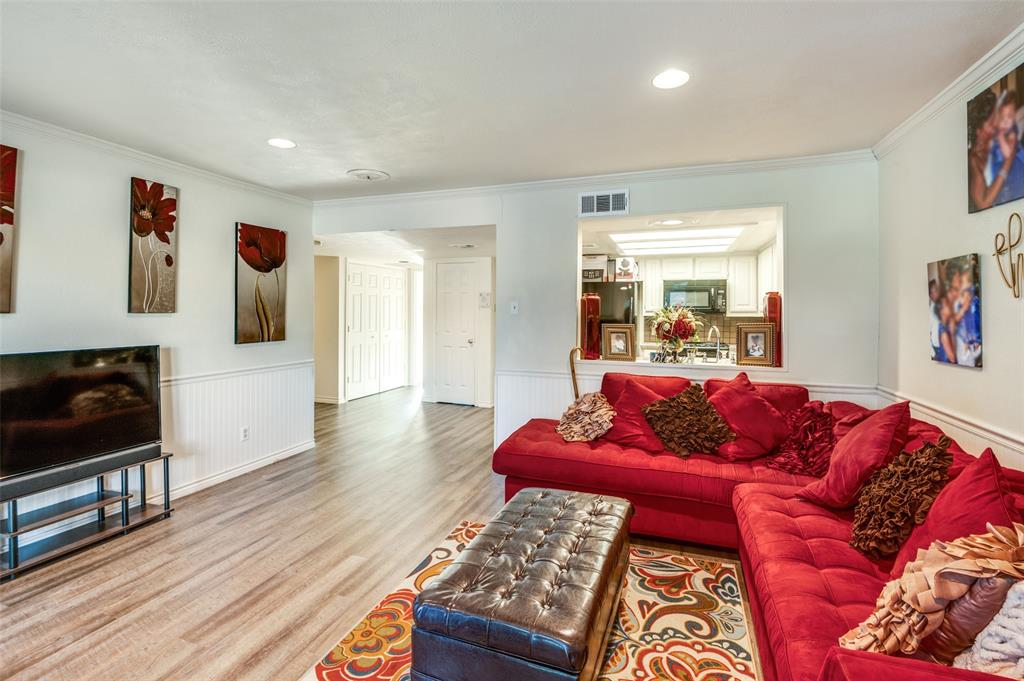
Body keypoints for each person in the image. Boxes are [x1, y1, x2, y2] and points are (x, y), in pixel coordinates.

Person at [969, 89, 1016, 212]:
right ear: (979, 129)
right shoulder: (974, 159)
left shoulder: (997, 144)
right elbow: (983, 204)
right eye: (991, 121)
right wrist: (1007, 163)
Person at [987, 90, 1024, 206]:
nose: (1006, 121)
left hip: (1014, 168)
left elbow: (1008, 153)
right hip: (999, 171)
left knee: (1014, 192)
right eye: (1003, 118)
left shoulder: (1011, 133)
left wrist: (1001, 137)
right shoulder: (997, 133)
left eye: (1010, 116)